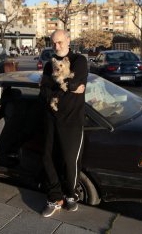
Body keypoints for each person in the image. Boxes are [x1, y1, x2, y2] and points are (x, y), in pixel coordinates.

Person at [39, 29, 88, 217]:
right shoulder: (48, 65)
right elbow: (44, 92)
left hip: (72, 120)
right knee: (47, 158)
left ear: (68, 41)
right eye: (53, 43)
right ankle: (54, 198)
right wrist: (64, 87)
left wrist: (58, 88)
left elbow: (77, 85)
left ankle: (71, 195)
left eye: (60, 42)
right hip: (51, 118)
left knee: (70, 160)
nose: (56, 46)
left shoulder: (79, 61)